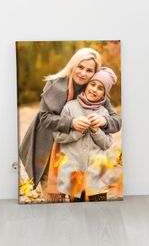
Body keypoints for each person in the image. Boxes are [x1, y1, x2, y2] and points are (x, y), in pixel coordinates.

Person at [19, 48, 122, 202]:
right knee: (54, 198)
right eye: (80, 67)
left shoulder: (94, 89)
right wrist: (72, 122)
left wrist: (104, 121)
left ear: (94, 73)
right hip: (49, 141)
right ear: (72, 65)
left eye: (89, 70)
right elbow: (45, 118)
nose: (83, 73)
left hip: (75, 150)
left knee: (79, 193)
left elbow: (116, 121)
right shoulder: (55, 84)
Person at [53, 67, 117, 202]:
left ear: (104, 94)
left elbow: (107, 143)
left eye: (100, 88)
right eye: (92, 84)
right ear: (86, 85)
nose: (94, 89)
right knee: (75, 210)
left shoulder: (104, 113)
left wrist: (96, 131)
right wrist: (77, 131)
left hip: (96, 175)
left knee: (98, 211)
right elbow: (57, 136)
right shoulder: (70, 107)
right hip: (72, 173)